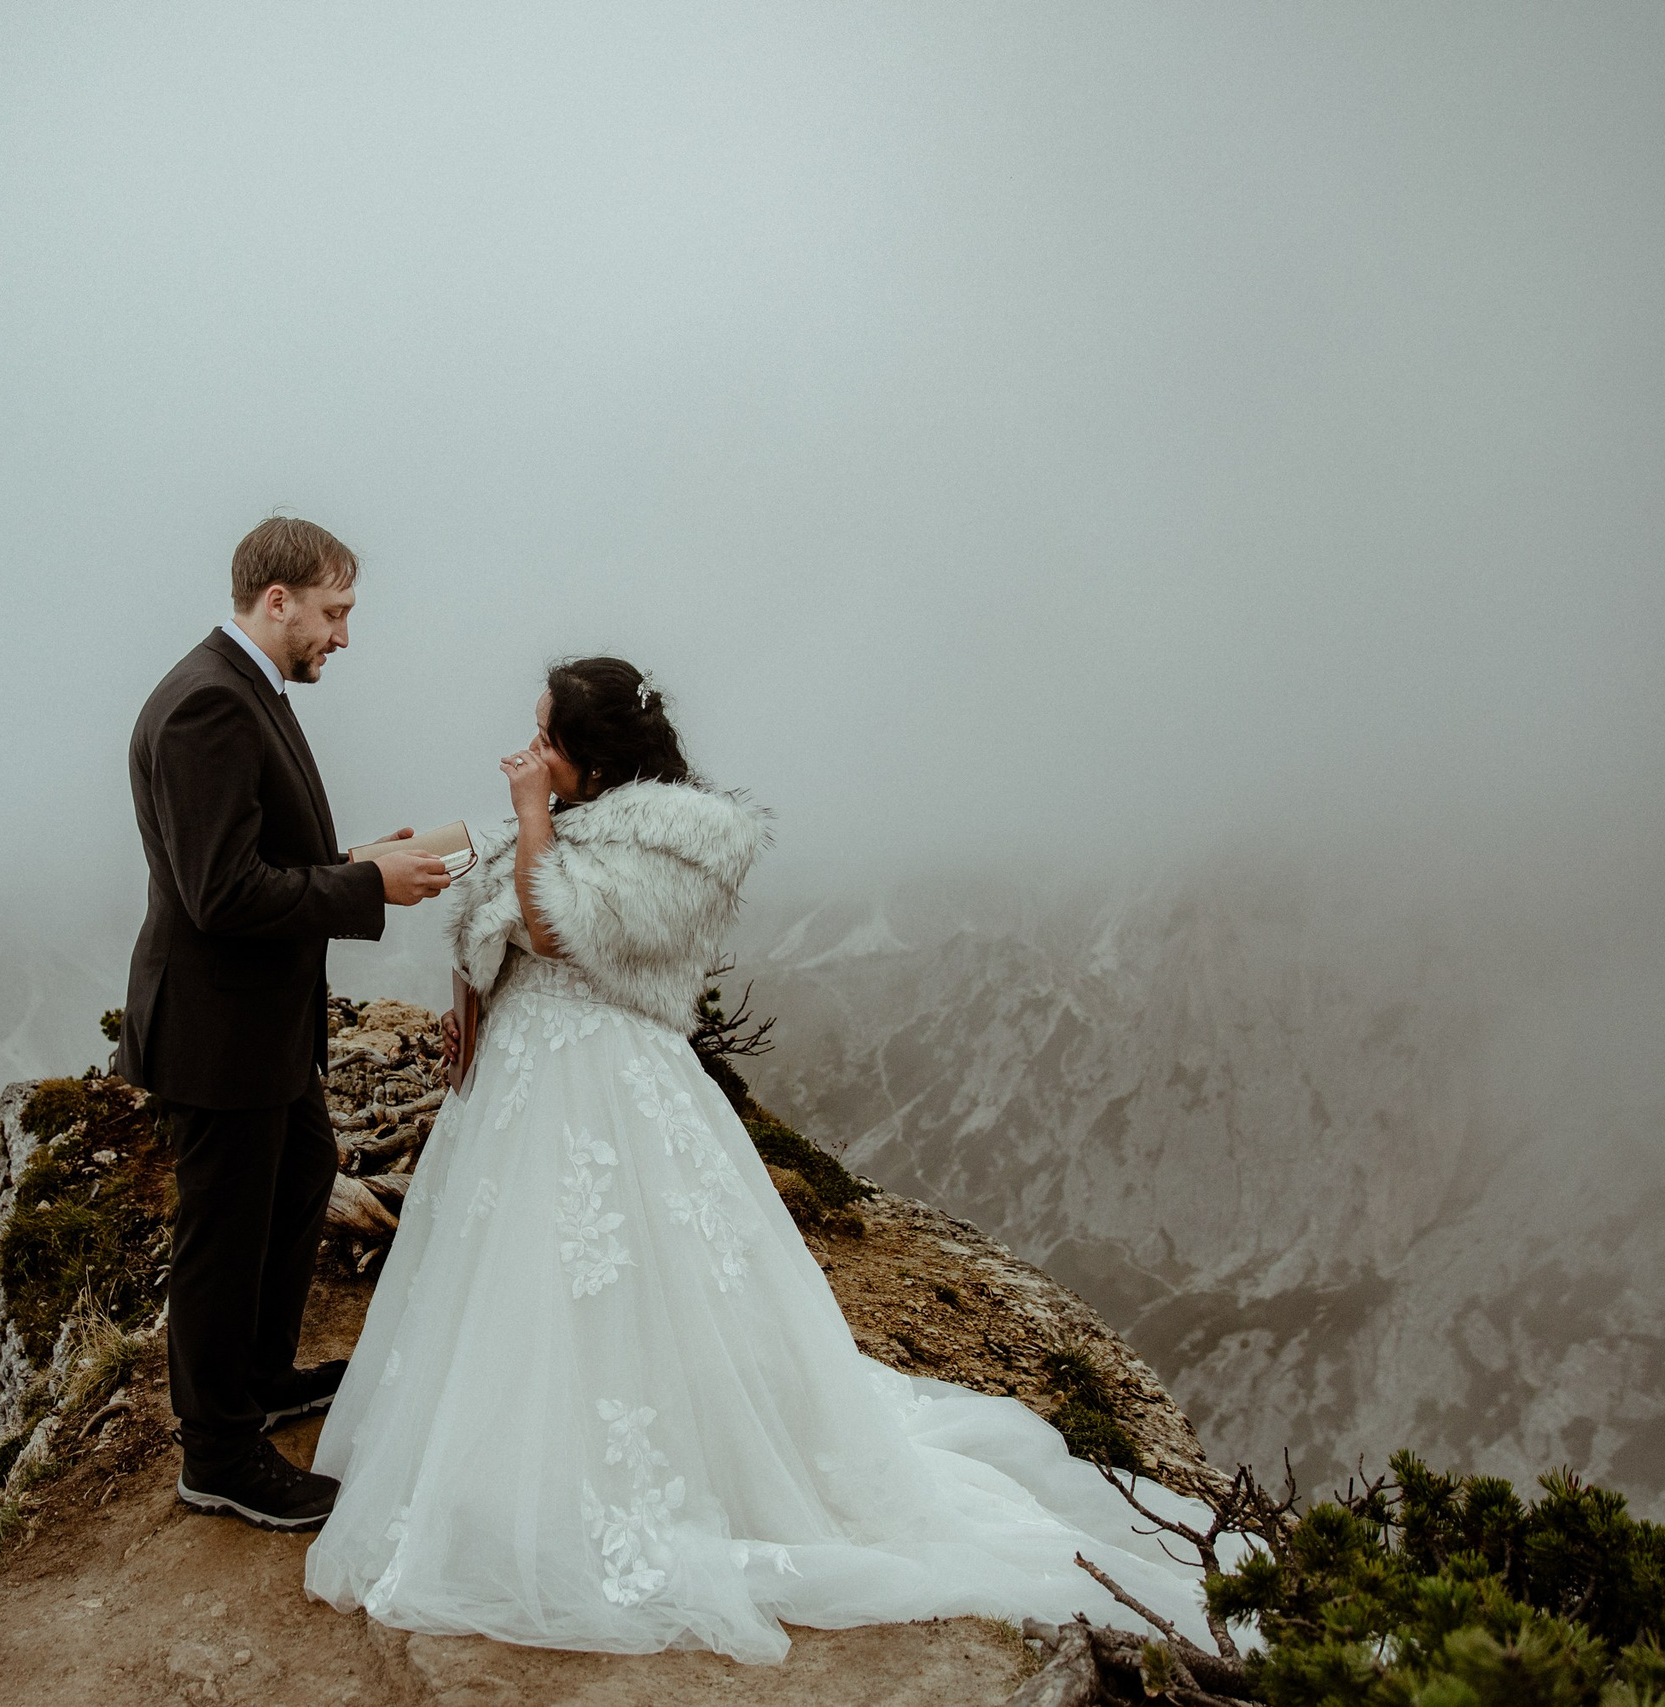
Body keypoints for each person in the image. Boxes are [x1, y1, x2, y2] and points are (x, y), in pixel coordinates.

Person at [305, 656, 1224, 1661]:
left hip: (603, 1080)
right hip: (526, 1079)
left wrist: (526, 810)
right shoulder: (570, 813)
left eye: (546, 740)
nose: (525, 755)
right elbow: (462, 855)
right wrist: (344, 869)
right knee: (518, 1277)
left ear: (594, 759)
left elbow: (554, 927)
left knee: (621, 1273)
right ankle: (496, 1458)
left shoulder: (675, 847)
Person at [116, 517, 453, 1531]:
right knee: (221, 1236)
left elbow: (245, 851)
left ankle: (260, 1376)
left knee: (304, 1171)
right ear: (278, 601)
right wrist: (363, 886)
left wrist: (353, 857)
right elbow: (220, 894)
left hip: (259, 1026)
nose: (342, 636)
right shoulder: (207, 707)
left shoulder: (238, 688)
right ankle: (217, 1454)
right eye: (334, 613)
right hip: (218, 1033)